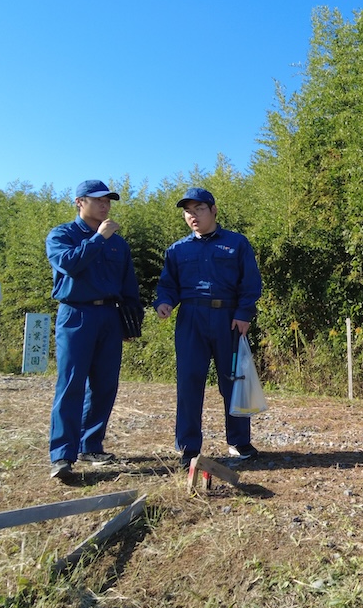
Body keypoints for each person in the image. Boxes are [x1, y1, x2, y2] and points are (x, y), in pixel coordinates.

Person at [154, 187, 262, 469]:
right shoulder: (177, 250)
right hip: (191, 319)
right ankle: (189, 447)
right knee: (189, 382)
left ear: (214, 210)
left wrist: (244, 313)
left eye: (199, 209)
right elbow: (168, 286)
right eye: (188, 211)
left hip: (229, 319)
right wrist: (164, 302)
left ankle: (239, 441)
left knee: (234, 381)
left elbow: (250, 283)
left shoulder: (237, 244)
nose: (193, 216)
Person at [45, 180, 142, 481]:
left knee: (105, 385)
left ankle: (91, 445)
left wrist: (131, 322)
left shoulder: (118, 242)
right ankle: (62, 455)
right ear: (79, 202)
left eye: (108, 201)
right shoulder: (62, 234)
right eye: (98, 200)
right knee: (71, 383)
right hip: (76, 313)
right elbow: (68, 264)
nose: (105, 206)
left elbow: (129, 286)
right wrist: (98, 238)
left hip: (109, 316)